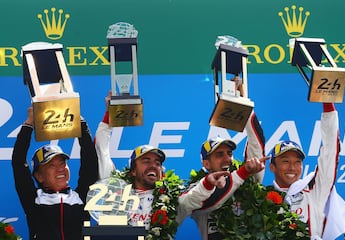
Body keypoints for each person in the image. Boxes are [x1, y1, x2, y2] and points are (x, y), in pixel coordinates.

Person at [94, 92, 183, 239]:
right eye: (146, 161)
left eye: (157, 163)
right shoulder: (116, 190)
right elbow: (101, 148)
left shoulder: (173, 199)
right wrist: (110, 115)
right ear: (133, 171)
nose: (153, 166)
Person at [176, 108, 268, 240]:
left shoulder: (248, 181)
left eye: (229, 154)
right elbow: (189, 202)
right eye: (219, 154)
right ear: (206, 164)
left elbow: (256, 145)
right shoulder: (199, 188)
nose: (227, 158)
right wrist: (208, 184)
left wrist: (246, 108)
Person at [11, 106, 99, 240]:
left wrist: (79, 123)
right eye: (51, 165)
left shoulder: (80, 196)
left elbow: (90, 162)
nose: (60, 168)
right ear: (39, 176)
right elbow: (18, 163)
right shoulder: (34, 199)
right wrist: (28, 124)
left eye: (62, 163)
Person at [269, 103, 345, 240]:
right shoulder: (262, 198)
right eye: (285, 161)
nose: (292, 167)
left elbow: (330, 151)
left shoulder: (314, 191)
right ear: (272, 166)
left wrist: (328, 103)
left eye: (297, 162)